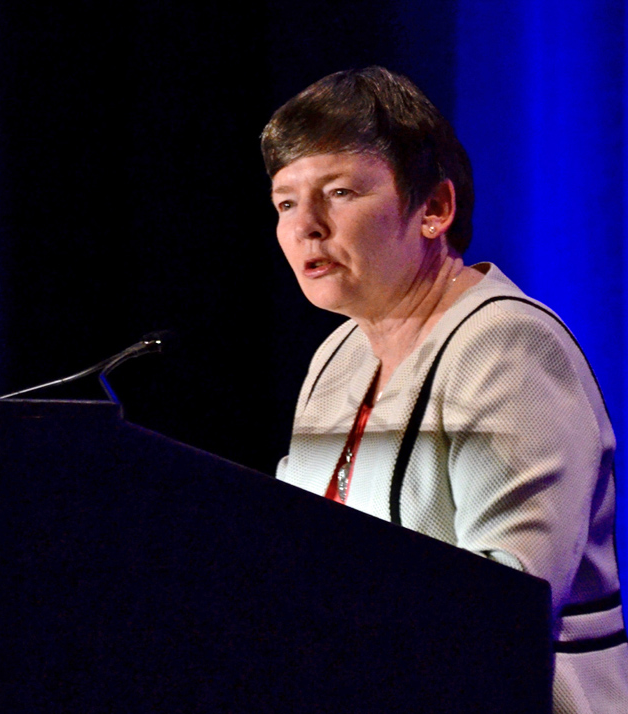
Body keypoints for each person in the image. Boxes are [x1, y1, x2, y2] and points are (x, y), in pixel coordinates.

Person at [263, 66, 627, 712]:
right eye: (286, 202)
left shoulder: (508, 348)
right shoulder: (337, 356)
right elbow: (298, 553)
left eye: (340, 192)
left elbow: (503, 608)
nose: (306, 226)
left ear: (434, 208)